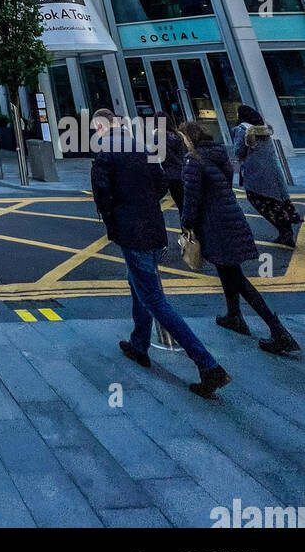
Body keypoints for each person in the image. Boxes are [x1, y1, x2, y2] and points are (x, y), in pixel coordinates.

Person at [90, 109, 230, 398]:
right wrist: (142, 203)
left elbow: (102, 193)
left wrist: (117, 214)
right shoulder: (141, 148)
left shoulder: (106, 152)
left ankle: (208, 365)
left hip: (132, 233)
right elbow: (162, 182)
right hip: (154, 229)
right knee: (137, 283)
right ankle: (139, 344)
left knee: (154, 298)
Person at [180, 121, 299, 356]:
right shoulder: (218, 156)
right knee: (227, 271)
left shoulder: (194, 161)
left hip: (215, 223)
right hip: (231, 218)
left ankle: (278, 330)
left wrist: (186, 224)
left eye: (183, 137)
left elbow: (192, 198)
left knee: (236, 277)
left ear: (189, 138)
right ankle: (234, 315)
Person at [232, 104, 301, 248]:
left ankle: (284, 230)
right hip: (272, 169)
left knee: (258, 200)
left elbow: (239, 151)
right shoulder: (264, 128)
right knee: (275, 200)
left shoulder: (242, 129)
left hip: (255, 171)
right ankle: (285, 230)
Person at [155, 110, 187, 214]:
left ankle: (186, 228)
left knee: (180, 205)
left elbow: (152, 155)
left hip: (172, 175)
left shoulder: (158, 138)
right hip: (185, 172)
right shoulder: (178, 135)